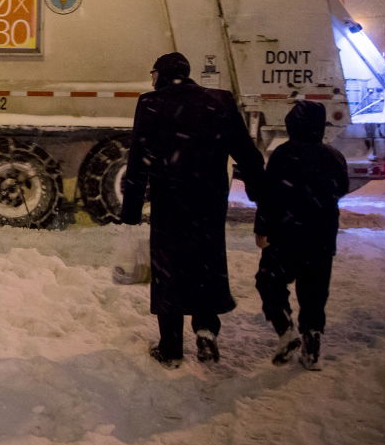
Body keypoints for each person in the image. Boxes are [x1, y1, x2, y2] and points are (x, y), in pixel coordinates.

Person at [120, 52, 265, 367]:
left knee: (168, 271)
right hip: (209, 202)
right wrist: (258, 192)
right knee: (206, 265)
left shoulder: (151, 103)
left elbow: (138, 159)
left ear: (160, 75)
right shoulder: (220, 101)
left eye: (153, 74)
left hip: (170, 203)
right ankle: (206, 331)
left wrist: (131, 209)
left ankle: (170, 347)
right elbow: (247, 153)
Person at [254, 99, 349, 370]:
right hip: (321, 238)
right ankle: (312, 339)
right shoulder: (333, 156)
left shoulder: (283, 155)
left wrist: (262, 229)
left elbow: (268, 197)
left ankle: (286, 330)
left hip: (286, 235)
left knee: (269, 282)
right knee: (314, 294)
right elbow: (340, 188)